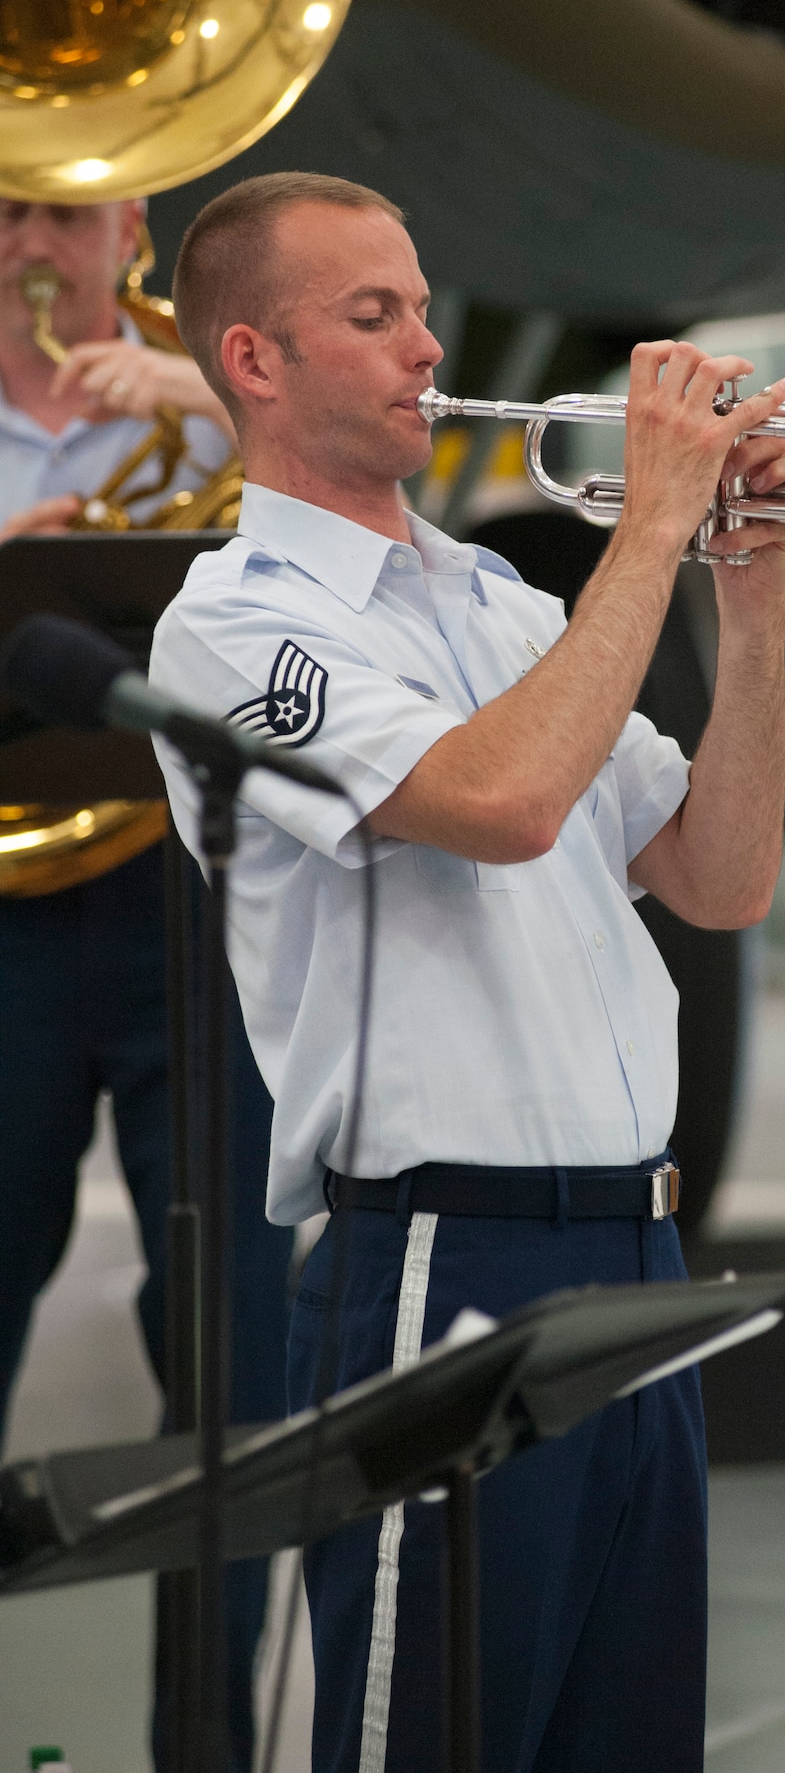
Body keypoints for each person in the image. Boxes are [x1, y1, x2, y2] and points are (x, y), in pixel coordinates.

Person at [147, 169, 785, 1773]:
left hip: (636, 1259)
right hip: (443, 1261)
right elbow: (499, 806)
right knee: (435, 1735)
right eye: (371, 315)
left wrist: (757, 601)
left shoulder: (509, 609)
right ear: (255, 360)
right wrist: (653, 525)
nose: (426, 346)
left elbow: (719, 880)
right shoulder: (234, 623)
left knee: (622, 1736)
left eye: (423, 306)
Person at [0, 196, 294, 1773]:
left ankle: (209, 1750)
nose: (33, 240)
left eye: (66, 207)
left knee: (236, 1350)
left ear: (130, 219)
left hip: (190, 899)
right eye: (5, 205)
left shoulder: (208, 394)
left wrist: (217, 396)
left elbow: (384, 532)